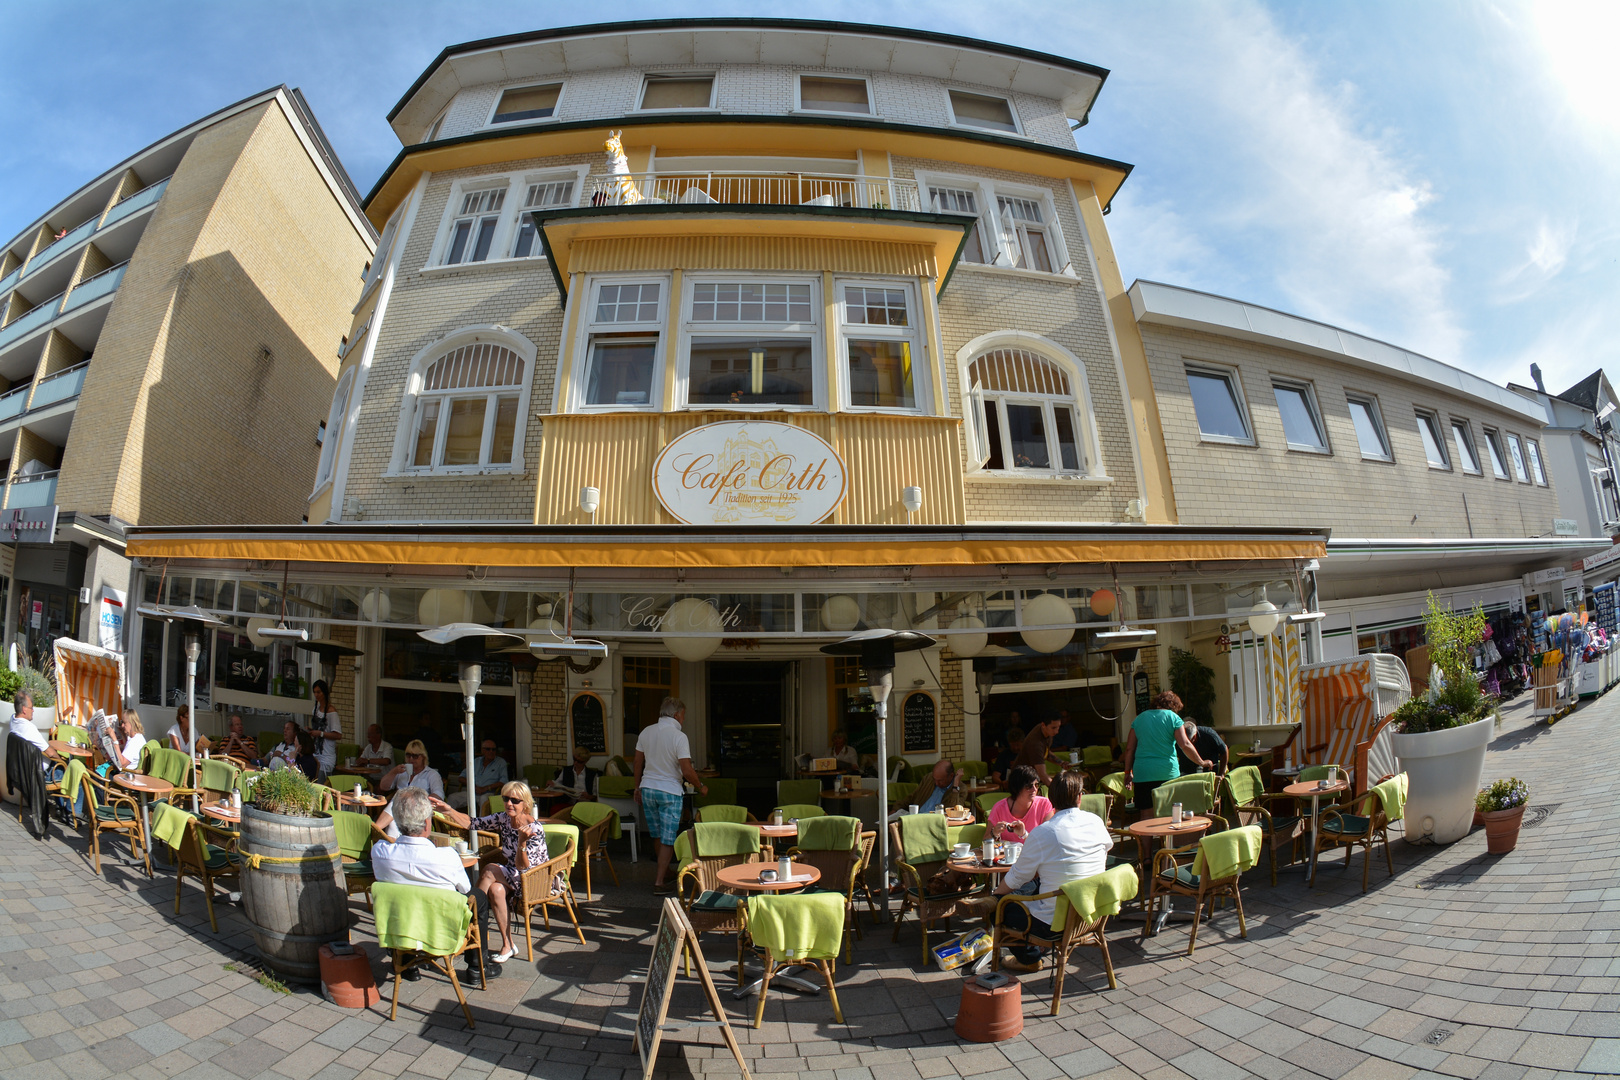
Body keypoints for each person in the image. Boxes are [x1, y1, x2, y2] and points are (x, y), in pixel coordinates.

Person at [369, 787, 499, 986]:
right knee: (477, 897)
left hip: (404, 927)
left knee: (401, 894)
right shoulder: (446, 856)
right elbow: (464, 890)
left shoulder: (379, 853)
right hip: (440, 930)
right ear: (427, 823)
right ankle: (477, 967)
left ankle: (406, 961)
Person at [993, 771, 1113, 972]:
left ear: (1050, 799)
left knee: (998, 908)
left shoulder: (1045, 832)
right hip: (1093, 912)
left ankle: (1029, 958)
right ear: (1079, 797)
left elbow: (1016, 877)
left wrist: (997, 896)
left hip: (1056, 924)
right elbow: (1107, 848)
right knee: (1032, 885)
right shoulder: (1095, 821)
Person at [430, 781, 558, 964]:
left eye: (515, 800)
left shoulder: (533, 829)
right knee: (496, 890)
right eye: (506, 798)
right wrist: (449, 810)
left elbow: (524, 868)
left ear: (526, 804)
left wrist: (522, 842)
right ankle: (508, 945)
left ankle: (467, 916)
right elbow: (473, 823)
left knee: (490, 869)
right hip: (514, 873)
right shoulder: (504, 818)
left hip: (533, 879)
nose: (509, 804)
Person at [634, 697, 708, 896]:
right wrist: (700, 786)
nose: (683, 720)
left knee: (657, 834)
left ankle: (664, 871)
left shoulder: (646, 732)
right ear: (676, 715)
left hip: (648, 788)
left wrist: (637, 787)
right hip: (669, 791)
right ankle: (659, 882)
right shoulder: (678, 736)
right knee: (668, 838)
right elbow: (686, 769)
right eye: (683, 716)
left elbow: (637, 763)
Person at [1122, 691, 1207, 819]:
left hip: (1143, 773)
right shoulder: (1173, 718)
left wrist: (1128, 772)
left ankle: (1147, 839)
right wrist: (1201, 762)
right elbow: (1185, 745)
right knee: (1171, 813)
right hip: (1167, 773)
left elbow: (1129, 749)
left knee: (1146, 813)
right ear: (1173, 706)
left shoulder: (1139, 719)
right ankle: (1168, 839)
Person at [377, 740, 446, 839]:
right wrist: (393, 772)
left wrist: (418, 800)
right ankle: (383, 835)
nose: (411, 759)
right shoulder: (401, 772)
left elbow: (439, 795)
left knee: (397, 802)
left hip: (419, 811)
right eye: (408, 755)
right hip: (399, 810)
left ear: (423, 757)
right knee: (397, 804)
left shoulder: (431, 774)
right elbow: (383, 786)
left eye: (415, 756)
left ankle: (376, 831)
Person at [987, 765, 1054, 842]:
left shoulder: (1044, 805)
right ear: (1017, 788)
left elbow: (1048, 841)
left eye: (1036, 785)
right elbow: (985, 842)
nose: (1034, 789)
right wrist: (994, 833)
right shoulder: (999, 808)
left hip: (1034, 854)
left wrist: (1024, 834)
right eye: (1029, 786)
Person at [1013, 714, 1062, 786]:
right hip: (1021, 781)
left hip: (1032, 778)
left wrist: (1062, 763)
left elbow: (1046, 753)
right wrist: (1059, 792)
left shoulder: (1046, 732)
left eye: (1058, 727)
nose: (1056, 732)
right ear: (1043, 725)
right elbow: (1043, 775)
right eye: (1053, 728)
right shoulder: (1035, 744)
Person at [309, 681, 342, 778]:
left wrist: (321, 734)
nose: (316, 695)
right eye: (314, 692)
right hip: (315, 753)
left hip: (326, 756)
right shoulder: (315, 709)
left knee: (321, 782)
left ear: (324, 693)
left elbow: (338, 735)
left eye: (319, 692)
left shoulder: (332, 712)